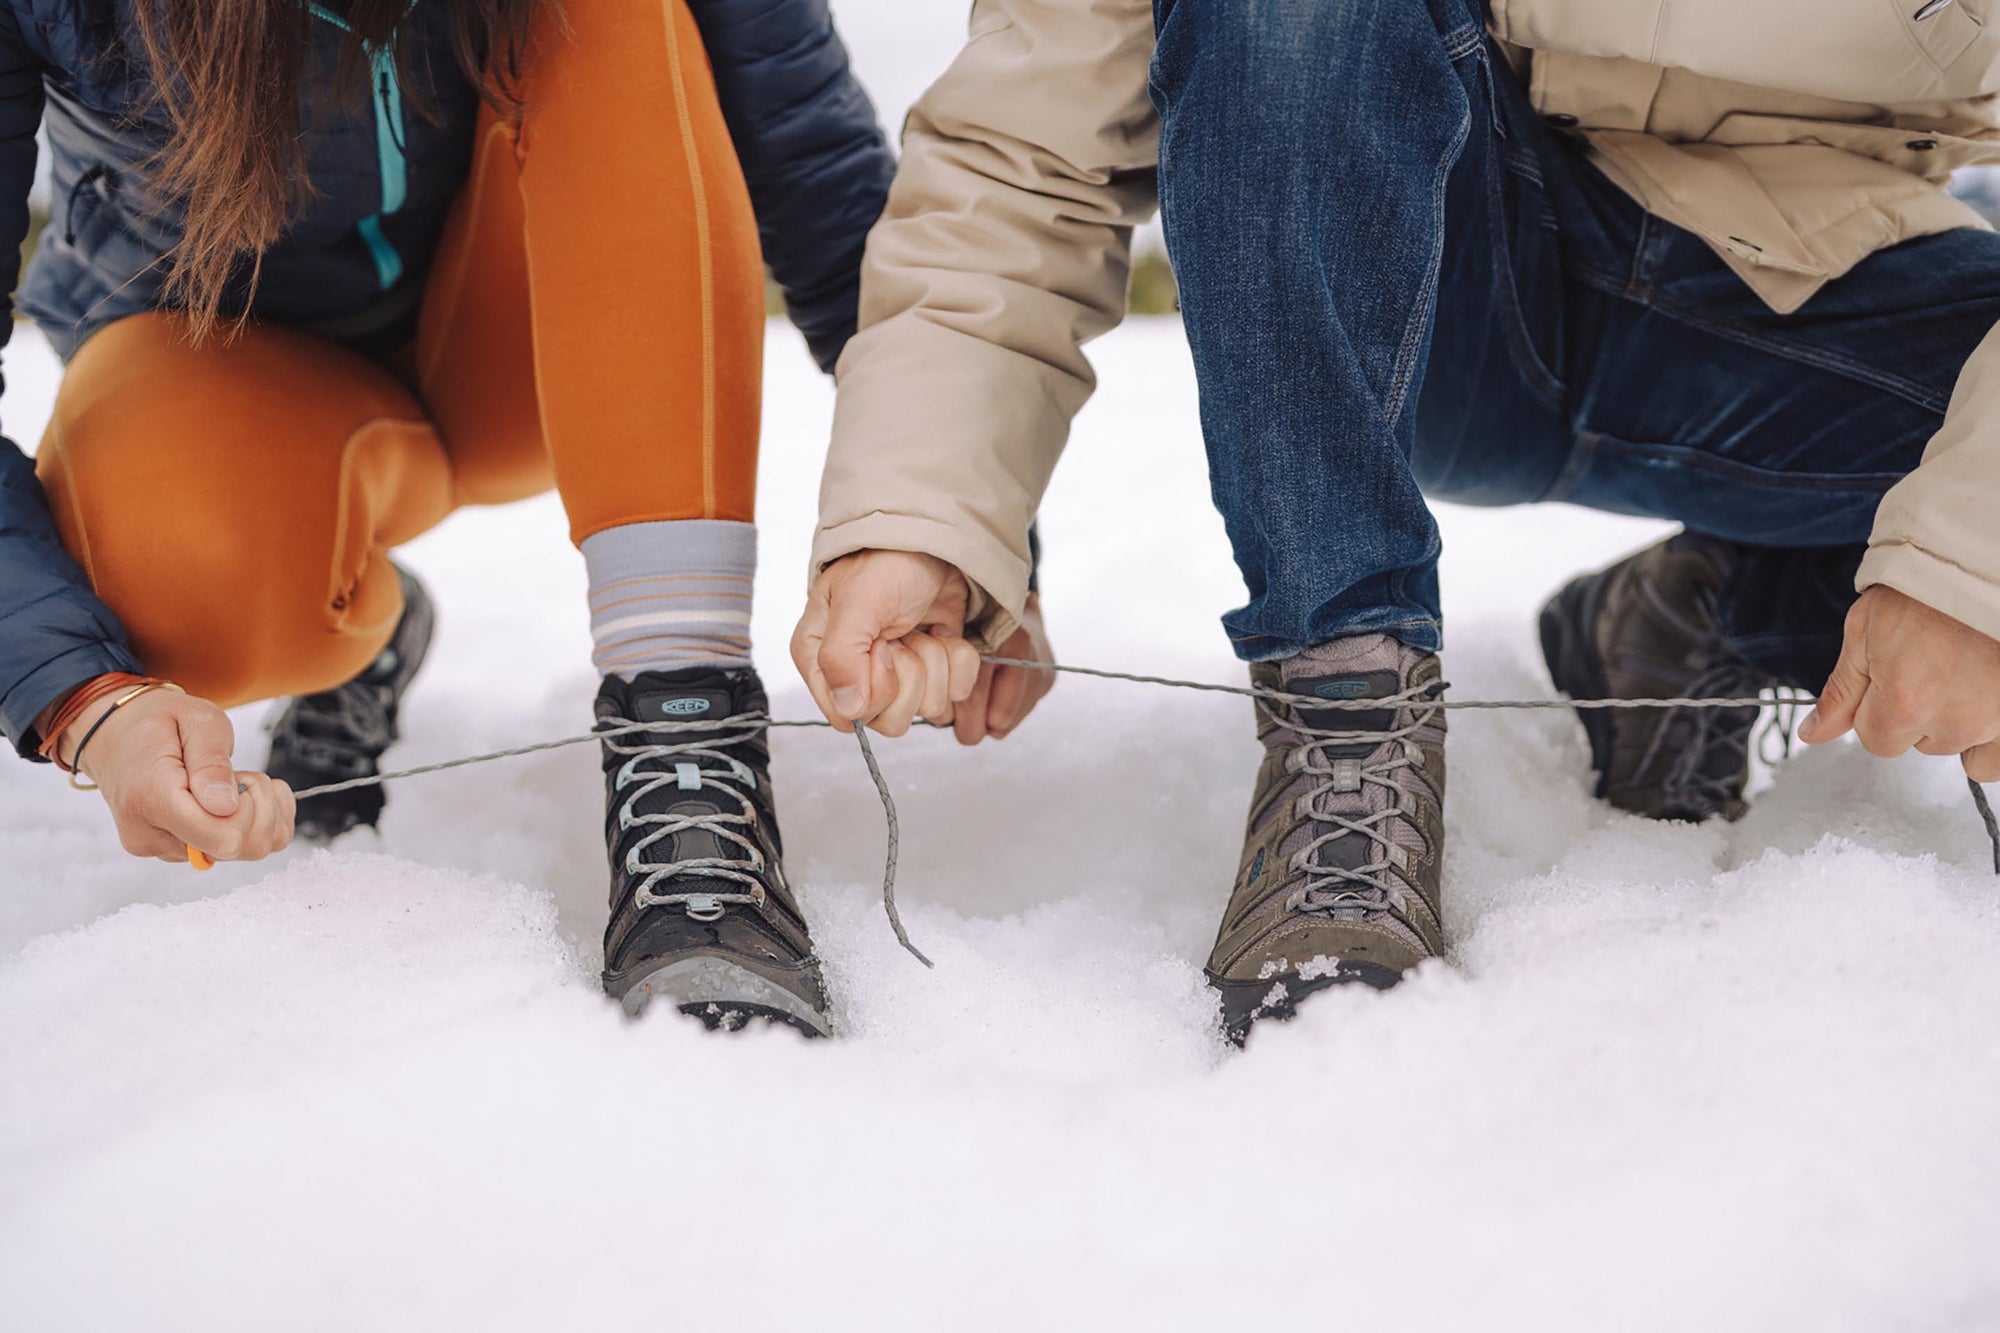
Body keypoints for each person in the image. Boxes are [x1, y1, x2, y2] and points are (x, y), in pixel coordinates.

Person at [793, 0, 2000, 1043]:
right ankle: (1343, 711)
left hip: (1811, 294)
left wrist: (1972, 555)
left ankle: (1707, 614)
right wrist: (927, 516)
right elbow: (1022, 157)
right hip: (1428, 254)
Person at [0, 0, 896, 1038]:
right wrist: (84, 698)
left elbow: (817, 167)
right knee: (172, 577)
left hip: (539, 339)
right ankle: (355, 614)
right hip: (221, 375)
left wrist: (946, 522)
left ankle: (685, 735)